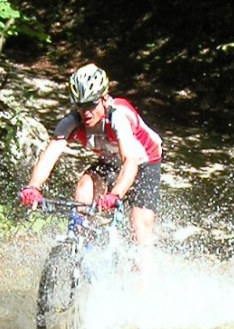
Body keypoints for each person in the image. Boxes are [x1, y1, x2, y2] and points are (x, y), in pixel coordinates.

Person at [19, 63, 163, 247]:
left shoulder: (118, 117)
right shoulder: (72, 122)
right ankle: (82, 249)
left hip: (144, 162)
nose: (86, 112)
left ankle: (144, 274)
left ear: (103, 99)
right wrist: (33, 187)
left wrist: (115, 194)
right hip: (111, 160)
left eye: (91, 104)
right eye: (80, 105)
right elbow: (50, 154)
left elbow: (130, 161)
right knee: (84, 189)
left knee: (139, 225)